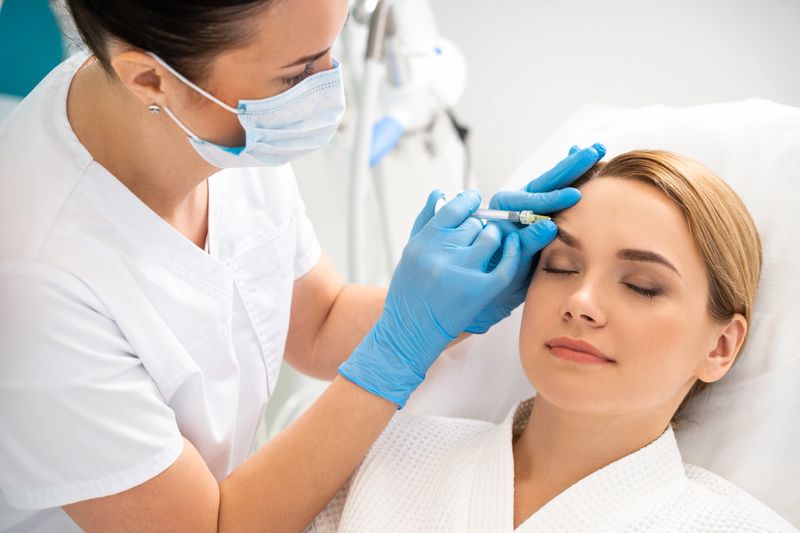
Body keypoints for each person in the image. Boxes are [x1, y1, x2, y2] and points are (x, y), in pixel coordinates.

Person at [0, 1, 606, 531]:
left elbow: (317, 324)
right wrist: (398, 350)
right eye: (298, 73)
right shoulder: (35, 279)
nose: (327, 92)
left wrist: (458, 292)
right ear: (150, 79)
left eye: (327, 53)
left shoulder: (219, 129)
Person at [304, 150, 798, 532]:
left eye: (641, 285)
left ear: (720, 347)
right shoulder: (379, 457)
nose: (581, 300)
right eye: (560, 267)